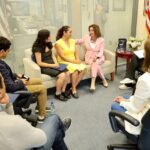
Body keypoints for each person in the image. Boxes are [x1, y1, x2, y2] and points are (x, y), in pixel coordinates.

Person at [0, 73, 71, 150]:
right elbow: (42, 139)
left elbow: (10, 74)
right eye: (3, 82)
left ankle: (58, 128)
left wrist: (21, 76)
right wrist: (20, 82)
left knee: (39, 81)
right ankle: (47, 120)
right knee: (54, 119)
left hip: (16, 83)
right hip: (17, 87)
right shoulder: (14, 122)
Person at [0, 36, 50, 123]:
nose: (9, 52)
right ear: (2, 51)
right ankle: (42, 116)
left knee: (38, 80)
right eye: (8, 50)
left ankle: (40, 106)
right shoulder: (0, 65)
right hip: (14, 90)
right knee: (42, 88)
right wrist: (22, 81)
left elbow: (7, 75)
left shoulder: (1, 62)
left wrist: (19, 75)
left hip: (15, 82)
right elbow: (10, 87)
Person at [111, 39, 150, 135]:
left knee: (114, 105)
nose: (143, 52)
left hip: (143, 120)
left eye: (144, 50)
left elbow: (135, 108)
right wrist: (128, 99)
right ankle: (129, 79)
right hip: (146, 104)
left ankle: (123, 131)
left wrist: (123, 102)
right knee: (128, 98)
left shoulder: (145, 80)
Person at [32, 29, 70, 101]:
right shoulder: (37, 48)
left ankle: (63, 91)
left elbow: (52, 56)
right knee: (62, 75)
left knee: (67, 73)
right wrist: (53, 66)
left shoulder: (49, 44)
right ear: (44, 38)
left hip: (53, 64)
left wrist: (56, 63)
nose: (50, 37)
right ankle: (57, 93)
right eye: (49, 36)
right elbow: (39, 63)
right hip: (45, 66)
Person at [55, 26, 86, 99]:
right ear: (64, 32)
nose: (71, 34)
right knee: (75, 70)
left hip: (73, 61)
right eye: (70, 32)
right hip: (63, 62)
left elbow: (75, 52)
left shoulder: (72, 41)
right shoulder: (58, 43)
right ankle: (74, 90)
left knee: (84, 69)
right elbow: (62, 57)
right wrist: (74, 62)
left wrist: (78, 59)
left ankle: (72, 88)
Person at [76, 24, 108, 91]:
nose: (90, 32)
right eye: (90, 30)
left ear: (96, 31)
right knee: (95, 64)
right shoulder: (86, 37)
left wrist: (96, 57)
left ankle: (92, 83)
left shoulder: (101, 40)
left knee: (95, 63)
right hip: (89, 57)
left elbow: (101, 51)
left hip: (99, 57)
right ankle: (104, 80)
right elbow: (79, 41)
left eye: (92, 30)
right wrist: (69, 41)